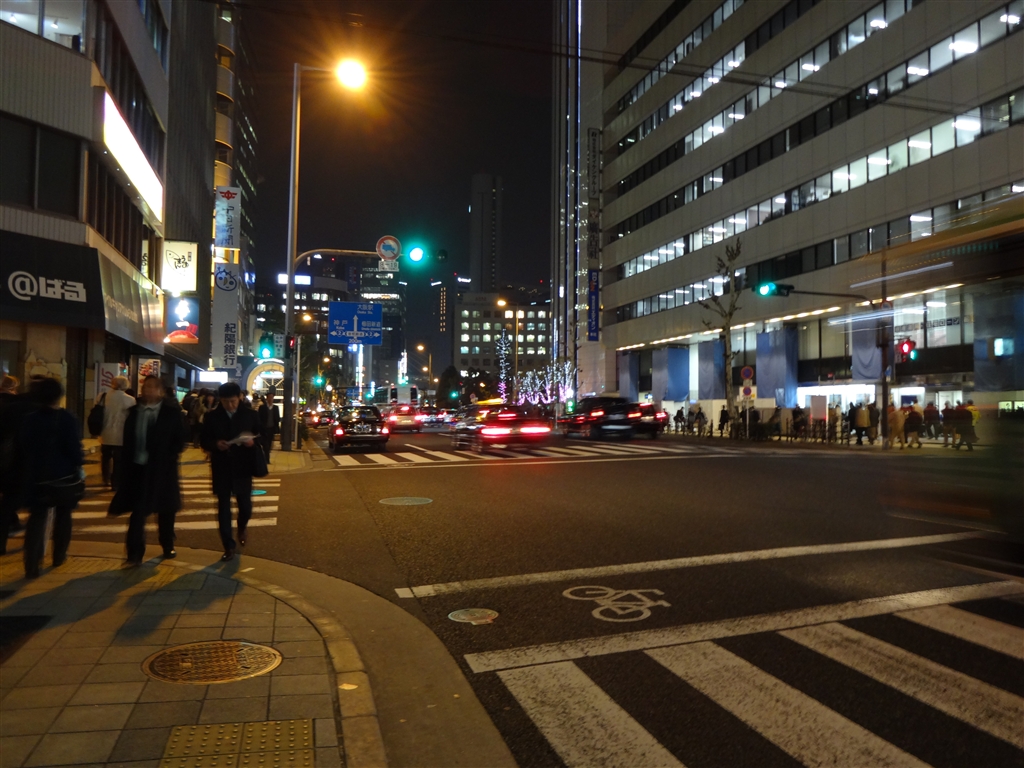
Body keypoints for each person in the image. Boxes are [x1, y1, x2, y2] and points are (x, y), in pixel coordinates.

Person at [110, 376, 185, 564]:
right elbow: (128, 441)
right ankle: (134, 553)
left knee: (166, 510)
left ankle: (167, 544)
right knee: (138, 512)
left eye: (153, 387)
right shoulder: (134, 412)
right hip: (138, 469)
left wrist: (169, 455)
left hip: (163, 469)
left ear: (161, 391)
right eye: (146, 386)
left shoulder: (171, 413)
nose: (148, 390)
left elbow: (180, 439)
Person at [20, 378, 84, 578]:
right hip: (63, 475)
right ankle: (59, 555)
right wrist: (78, 463)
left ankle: (32, 564)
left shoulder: (30, 419)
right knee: (63, 515)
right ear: (59, 395)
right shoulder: (67, 418)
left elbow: (23, 447)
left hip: (37, 476)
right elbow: (74, 449)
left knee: (36, 519)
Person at [202, 381, 263, 561]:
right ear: (220, 400)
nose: (230, 405)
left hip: (243, 466)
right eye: (226, 402)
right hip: (221, 465)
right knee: (223, 507)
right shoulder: (212, 417)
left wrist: (252, 442)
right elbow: (204, 439)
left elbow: (263, 436)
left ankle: (242, 526)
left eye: (233, 401)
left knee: (245, 506)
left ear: (240, 398)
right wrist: (215, 444)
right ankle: (228, 546)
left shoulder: (250, 415)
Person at [0, 375, 37, 550]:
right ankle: (33, 549)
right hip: (21, 463)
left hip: (8, 461)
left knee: (8, 501)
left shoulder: (13, 406)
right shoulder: (28, 409)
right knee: (36, 507)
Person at [100, 376, 136, 490]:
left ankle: (105, 478)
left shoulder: (102, 396)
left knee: (105, 457)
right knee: (118, 460)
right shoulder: (130, 400)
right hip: (121, 434)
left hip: (105, 432)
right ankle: (115, 482)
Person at [257, 392, 280, 465]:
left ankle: (266, 458)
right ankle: (266, 459)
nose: (270, 399)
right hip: (264, 429)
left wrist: (276, 427)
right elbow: (259, 418)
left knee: (269, 444)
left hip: (271, 429)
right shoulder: (262, 407)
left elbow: (277, 418)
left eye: (272, 397)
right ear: (266, 398)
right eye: (269, 397)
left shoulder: (275, 408)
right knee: (265, 444)